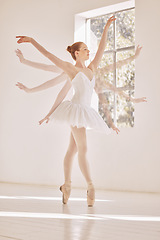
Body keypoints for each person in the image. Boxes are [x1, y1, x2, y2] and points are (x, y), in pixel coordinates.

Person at [15, 16, 146, 207]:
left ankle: (67, 185)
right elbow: (49, 56)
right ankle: (90, 186)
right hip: (76, 109)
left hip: (84, 110)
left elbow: (101, 48)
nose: (88, 51)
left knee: (73, 149)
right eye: (85, 49)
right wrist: (33, 41)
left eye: (87, 49)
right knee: (83, 149)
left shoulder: (92, 68)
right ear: (76, 54)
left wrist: (107, 27)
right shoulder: (70, 69)